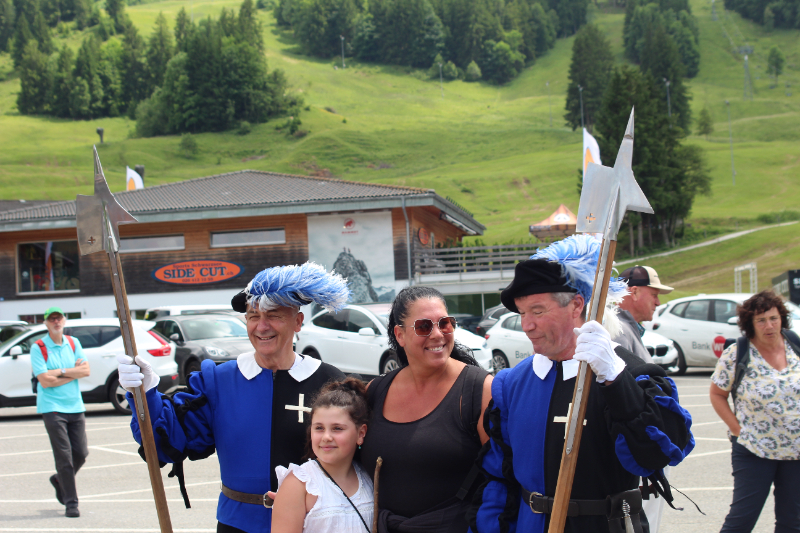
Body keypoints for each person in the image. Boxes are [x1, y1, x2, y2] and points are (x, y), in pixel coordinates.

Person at [468, 235, 694, 533]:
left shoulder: (631, 373)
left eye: (538, 311)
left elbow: (657, 456)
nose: (527, 325)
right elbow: (498, 477)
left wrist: (616, 381)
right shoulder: (512, 383)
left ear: (576, 305)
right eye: (522, 313)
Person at [117, 263, 349, 533]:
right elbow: (168, 440)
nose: (262, 326)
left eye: (273, 315)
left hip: (315, 524)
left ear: (298, 321)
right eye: (253, 316)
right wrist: (145, 393)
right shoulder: (218, 380)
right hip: (237, 525)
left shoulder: (329, 382)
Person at [360, 286, 493, 533]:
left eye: (445, 324)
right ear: (400, 335)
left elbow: (503, 477)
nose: (437, 334)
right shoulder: (375, 392)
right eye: (424, 327)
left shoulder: (480, 390)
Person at [710, 290, 800, 533]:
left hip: (796, 450)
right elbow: (717, 394)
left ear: (782, 318)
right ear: (750, 323)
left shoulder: (795, 345)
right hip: (753, 447)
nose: (769, 326)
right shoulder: (737, 353)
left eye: (773, 318)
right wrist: (737, 430)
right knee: (741, 520)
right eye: (761, 320)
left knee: (792, 522)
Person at [272, 377, 373, 533]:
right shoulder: (299, 484)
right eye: (319, 428)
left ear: (361, 433)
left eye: (337, 428)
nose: (326, 437)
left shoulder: (368, 478)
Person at [30, 306, 91, 518]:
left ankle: (59, 480)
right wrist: (73, 373)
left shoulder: (73, 343)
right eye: (52, 319)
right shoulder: (38, 347)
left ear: (64, 320)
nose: (56, 322)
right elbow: (45, 381)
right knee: (64, 457)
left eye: (59, 318)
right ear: (46, 323)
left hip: (75, 405)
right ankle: (71, 503)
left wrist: (59, 372)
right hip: (52, 408)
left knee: (81, 454)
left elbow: (86, 370)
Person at [616, 265, 675, 364]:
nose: (658, 303)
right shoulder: (619, 332)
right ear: (634, 293)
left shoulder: (625, 329)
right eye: (654, 295)